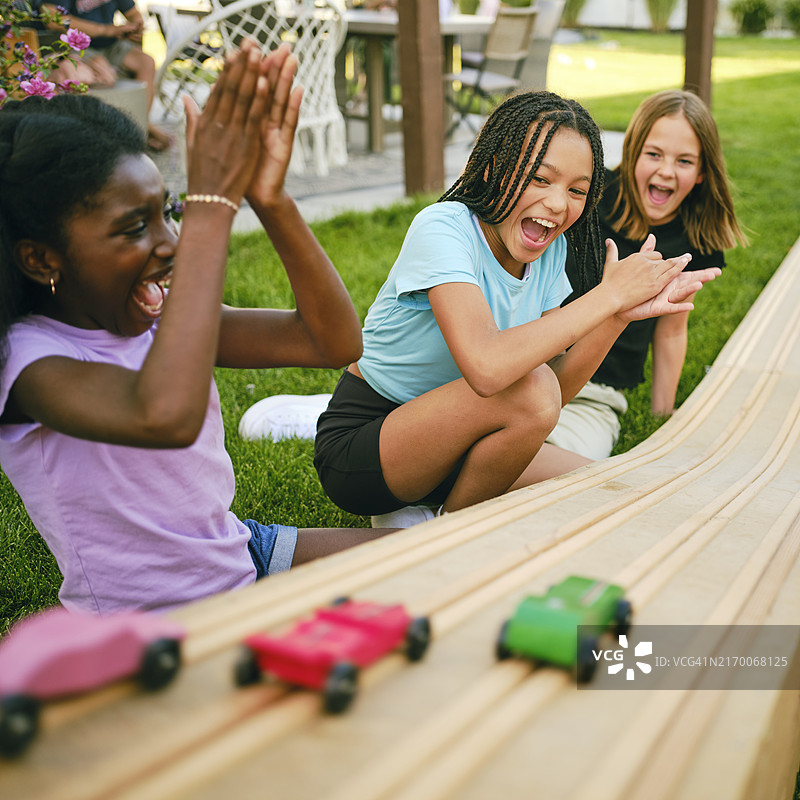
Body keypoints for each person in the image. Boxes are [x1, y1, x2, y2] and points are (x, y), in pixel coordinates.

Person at [0, 42, 390, 616]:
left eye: (171, 211)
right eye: (135, 226)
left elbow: (330, 341)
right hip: (152, 619)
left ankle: (583, 662)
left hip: (238, 552)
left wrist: (271, 199)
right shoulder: (27, 362)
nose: (169, 243)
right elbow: (164, 415)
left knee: (452, 555)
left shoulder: (158, 319)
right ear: (40, 259)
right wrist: (210, 208)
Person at [313, 90, 721, 529]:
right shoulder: (445, 228)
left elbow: (551, 397)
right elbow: (487, 367)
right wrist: (608, 297)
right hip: (368, 443)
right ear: (492, 169)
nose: (559, 204)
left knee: (609, 492)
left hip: (461, 440)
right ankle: (447, 533)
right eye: (540, 179)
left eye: (577, 190)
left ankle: (440, 520)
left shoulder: (548, 254)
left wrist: (618, 317)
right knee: (532, 393)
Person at [546, 89, 748, 463]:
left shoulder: (692, 241)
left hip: (597, 394)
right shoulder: (587, 197)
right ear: (633, 152)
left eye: (684, 161)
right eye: (654, 154)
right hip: (533, 364)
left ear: (703, 171)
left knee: (563, 465)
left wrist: (663, 414)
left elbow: (671, 329)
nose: (666, 171)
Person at [43, 0, 172, 150]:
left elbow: (133, 14)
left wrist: (136, 27)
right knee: (95, 74)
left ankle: (141, 125)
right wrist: (104, 30)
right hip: (76, 47)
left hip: (111, 45)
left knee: (146, 62)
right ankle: (121, 130)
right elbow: (52, 19)